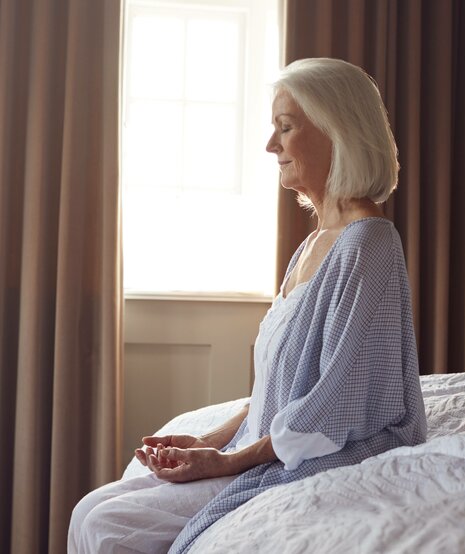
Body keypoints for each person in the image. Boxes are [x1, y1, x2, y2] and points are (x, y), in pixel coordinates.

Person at [67, 57, 427, 553]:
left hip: (282, 460)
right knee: (87, 509)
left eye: (285, 127)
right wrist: (210, 441)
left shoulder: (368, 246)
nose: (270, 145)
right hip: (258, 447)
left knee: (105, 528)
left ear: (337, 131)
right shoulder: (316, 243)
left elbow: (337, 405)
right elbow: (275, 393)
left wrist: (230, 463)